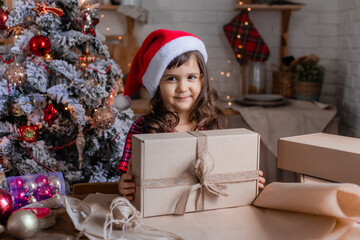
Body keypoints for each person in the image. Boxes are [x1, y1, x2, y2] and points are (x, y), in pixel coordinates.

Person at [116, 29, 266, 201]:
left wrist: (247, 179)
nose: (182, 88)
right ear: (157, 85)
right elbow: (126, 177)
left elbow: (224, 174)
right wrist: (124, 185)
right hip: (159, 210)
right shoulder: (143, 127)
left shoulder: (211, 125)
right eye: (171, 78)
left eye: (191, 77)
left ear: (202, 80)